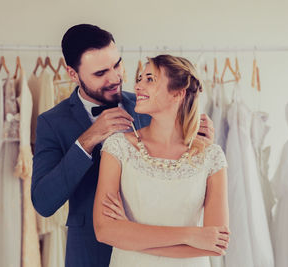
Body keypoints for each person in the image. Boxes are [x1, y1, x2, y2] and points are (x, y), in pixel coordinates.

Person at [31, 24, 215, 267]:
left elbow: (183, 180)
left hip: (157, 253)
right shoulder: (51, 123)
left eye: (117, 64)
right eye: (100, 73)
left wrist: (199, 143)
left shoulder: (150, 105)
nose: (115, 78)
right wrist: (87, 140)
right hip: (90, 254)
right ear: (73, 74)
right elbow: (44, 202)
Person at [93, 55, 229, 267]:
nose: (138, 85)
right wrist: (190, 235)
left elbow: (215, 244)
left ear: (178, 93)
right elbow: (105, 231)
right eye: (139, 78)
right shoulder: (118, 147)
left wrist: (131, 236)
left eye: (150, 79)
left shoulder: (211, 157)